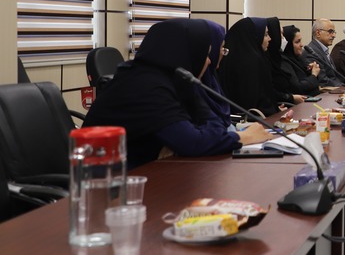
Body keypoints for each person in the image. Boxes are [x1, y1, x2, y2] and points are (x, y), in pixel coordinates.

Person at [82, 18, 269, 168]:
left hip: (147, 171)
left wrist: (188, 141)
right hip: (103, 181)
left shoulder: (174, 79)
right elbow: (192, 142)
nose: (209, 61)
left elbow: (214, 128)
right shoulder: (144, 85)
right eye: (205, 54)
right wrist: (242, 137)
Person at [218, 16, 285, 116]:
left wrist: (275, 108)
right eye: (266, 35)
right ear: (255, 36)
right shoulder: (251, 62)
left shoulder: (247, 58)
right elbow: (251, 106)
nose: (270, 38)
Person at [264, 17, 304, 106]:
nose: (283, 38)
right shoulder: (267, 60)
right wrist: (313, 75)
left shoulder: (277, 58)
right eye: (281, 34)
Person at [275, 24, 321, 97]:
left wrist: (310, 71)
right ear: (288, 44)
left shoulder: (299, 58)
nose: (301, 45)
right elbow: (297, 88)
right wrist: (313, 75)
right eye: (297, 42)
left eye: (301, 41)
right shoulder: (283, 62)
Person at [303, 18, 345, 86]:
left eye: (334, 32)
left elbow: (333, 77)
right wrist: (343, 87)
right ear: (318, 33)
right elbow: (323, 80)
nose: (334, 36)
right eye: (330, 31)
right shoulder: (312, 52)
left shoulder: (323, 50)